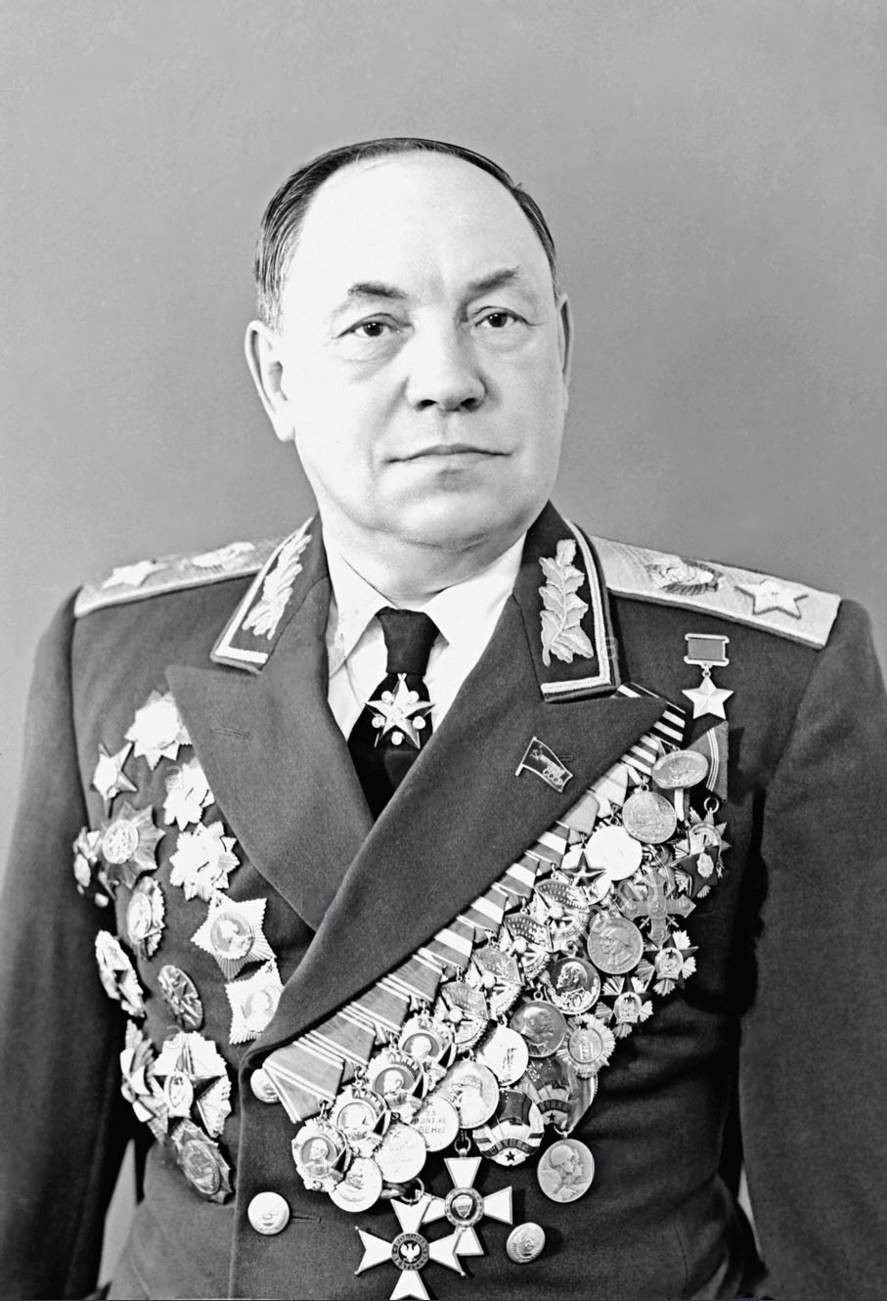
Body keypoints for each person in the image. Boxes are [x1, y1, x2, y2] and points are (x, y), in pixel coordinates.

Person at [1, 135, 885, 1301]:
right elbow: (29, 1196)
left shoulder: (772, 682)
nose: (448, 378)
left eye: (497, 320)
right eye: (374, 326)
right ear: (276, 377)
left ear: (560, 351)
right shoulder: (112, 658)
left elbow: (843, 1240)